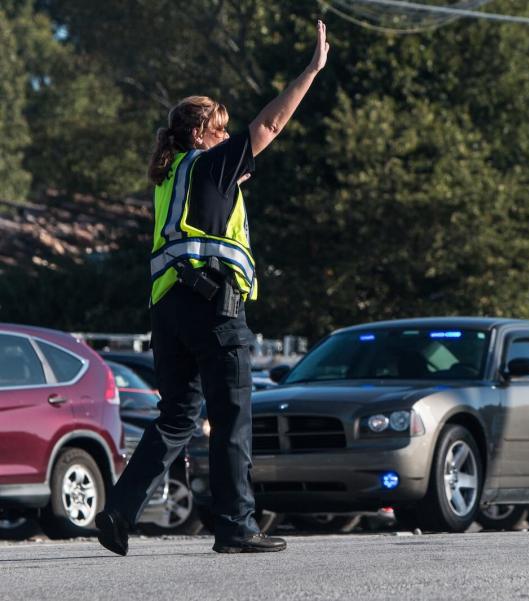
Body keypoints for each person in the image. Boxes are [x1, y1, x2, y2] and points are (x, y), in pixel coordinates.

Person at [96, 20, 330, 556]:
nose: (229, 139)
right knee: (231, 417)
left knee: (177, 418)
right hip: (214, 308)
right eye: (220, 130)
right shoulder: (210, 162)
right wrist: (311, 70)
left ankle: (118, 510)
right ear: (201, 133)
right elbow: (269, 124)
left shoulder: (171, 173)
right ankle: (235, 525)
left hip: (169, 313)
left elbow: (205, 205)